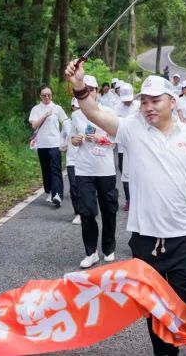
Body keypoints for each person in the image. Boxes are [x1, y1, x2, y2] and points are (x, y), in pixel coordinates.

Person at [64, 61, 186, 356]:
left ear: (172, 102)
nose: (148, 107)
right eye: (144, 101)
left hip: (182, 236)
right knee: (155, 307)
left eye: (155, 100)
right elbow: (94, 113)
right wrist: (80, 86)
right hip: (145, 239)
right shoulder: (132, 130)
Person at [70, 76, 119, 268]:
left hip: (105, 169)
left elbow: (116, 139)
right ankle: (91, 252)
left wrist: (99, 139)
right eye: (85, 89)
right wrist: (75, 140)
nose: (89, 93)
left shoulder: (108, 112)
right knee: (87, 211)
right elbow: (73, 138)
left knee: (109, 209)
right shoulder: (76, 115)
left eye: (91, 89)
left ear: (97, 92)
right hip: (84, 169)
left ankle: (108, 247)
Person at [29, 84, 69, 207]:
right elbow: (34, 125)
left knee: (56, 169)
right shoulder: (36, 109)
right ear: (40, 96)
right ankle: (50, 191)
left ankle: (57, 194)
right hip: (42, 144)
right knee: (46, 169)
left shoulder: (57, 108)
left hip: (54, 143)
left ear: (52, 95)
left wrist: (66, 139)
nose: (47, 97)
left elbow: (65, 122)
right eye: (44, 95)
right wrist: (45, 115)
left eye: (49, 95)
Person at [114, 83, 140, 210]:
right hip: (122, 147)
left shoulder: (139, 106)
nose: (127, 102)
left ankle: (139, 199)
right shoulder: (116, 108)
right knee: (125, 174)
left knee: (139, 172)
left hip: (138, 145)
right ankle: (129, 199)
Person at [62, 98, 82, 225]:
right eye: (75, 107)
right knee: (74, 186)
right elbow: (62, 136)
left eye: (80, 107)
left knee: (85, 187)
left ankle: (87, 210)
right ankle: (78, 213)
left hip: (86, 160)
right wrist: (62, 145)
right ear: (72, 107)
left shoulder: (88, 121)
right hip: (71, 160)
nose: (77, 109)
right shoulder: (66, 123)